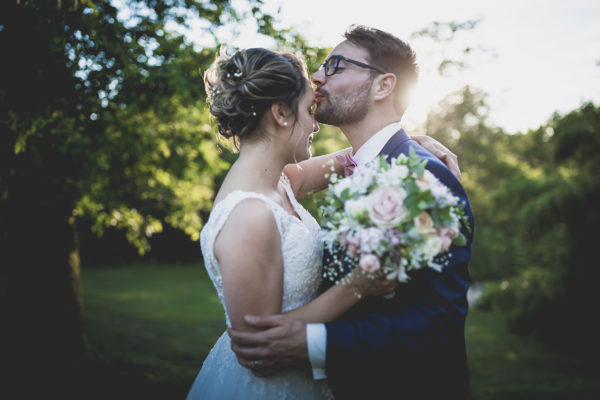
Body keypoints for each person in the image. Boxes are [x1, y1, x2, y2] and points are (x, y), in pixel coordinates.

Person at [186, 45, 459, 399]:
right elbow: (259, 351)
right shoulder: (248, 215)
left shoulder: (282, 181)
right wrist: (358, 284)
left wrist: (410, 143)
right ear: (281, 113)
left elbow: (353, 158)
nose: (315, 124)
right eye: (309, 110)